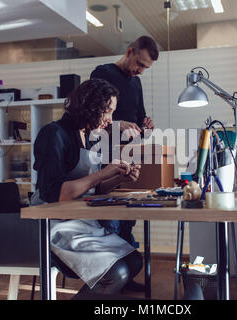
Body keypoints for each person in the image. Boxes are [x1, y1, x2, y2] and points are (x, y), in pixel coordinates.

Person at [30, 78, 143, 295]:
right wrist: (103, 173)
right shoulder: (53, 134)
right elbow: (56, 194)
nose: (110, 120)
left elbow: (93, 189)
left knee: (133, 261)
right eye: (107, 111)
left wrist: (119, 178)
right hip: (55, 224)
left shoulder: (90, 136)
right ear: (90, 106)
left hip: (81, 220)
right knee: (116, 274)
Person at [90, 36, 159, 266]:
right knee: (111, 219)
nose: (140, 71)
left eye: (145, 68)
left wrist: (146, 126)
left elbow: (139, 120)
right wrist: (117, 123)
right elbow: (93, 117)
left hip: (130, 154)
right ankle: (109, 275)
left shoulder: (136, 83)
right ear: (129, 52)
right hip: (105, 153)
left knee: (129, 217)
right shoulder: (102, 73)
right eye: (139, 64)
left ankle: (124, 273)